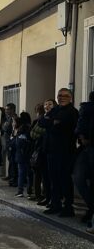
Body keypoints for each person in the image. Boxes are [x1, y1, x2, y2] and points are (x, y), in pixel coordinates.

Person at [41, 89, 78, 216]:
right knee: (53, 180)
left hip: (65, 152)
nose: (62, 98)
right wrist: (53, 122)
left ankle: (68, 207)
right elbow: (42, 122)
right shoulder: (55, 110)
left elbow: (62, 126)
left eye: (65, 96)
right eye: (59, 96)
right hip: (51, 150)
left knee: (65, 180)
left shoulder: (72, 112)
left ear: (71, 98)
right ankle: (55, 204)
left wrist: (50, 122)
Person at [73, 91, 94, 230]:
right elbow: (79, 127)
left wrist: (82, 136)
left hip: (88, 147)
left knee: (80, 179)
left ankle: (91, 211)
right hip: (88, 147)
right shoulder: (87, 108)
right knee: (81, 179)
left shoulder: (86, 108)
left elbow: (79, 128)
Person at [29, 103, 46, 201]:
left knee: (38, 174)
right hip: (40, 149)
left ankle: (38, 194)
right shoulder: (40, 121)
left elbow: (31, 135)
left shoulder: (38, 121)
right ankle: (41, 194)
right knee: (41, 174)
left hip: (38, 149)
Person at [13, 117, 32, 197]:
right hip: (25, 156)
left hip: (22, 156)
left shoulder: (20, 132)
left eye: (13, 122)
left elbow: (18, 145)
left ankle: (21, 191)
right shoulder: (25, 131)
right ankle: (29, 191)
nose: (13, 123)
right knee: (28, 174)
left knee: (22, 173)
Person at [2, 103, 17, 186]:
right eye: (6, 109)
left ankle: (13, 178)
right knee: (10, 160)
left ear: (12, 110)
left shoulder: (14, 118)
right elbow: (3, 127)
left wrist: (5, 126)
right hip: (8, 142)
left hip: (12, 142)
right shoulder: (8, 118)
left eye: (8, 109)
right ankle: (11, 176)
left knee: (13, 161)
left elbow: (6, 128)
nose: (6, 111)